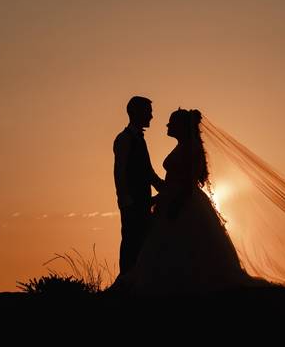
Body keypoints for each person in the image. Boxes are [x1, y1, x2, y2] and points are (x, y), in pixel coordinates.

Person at [111, 108, 265, 295]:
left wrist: (167, 199)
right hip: (168, 199)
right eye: (149, 112)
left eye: (171, 122)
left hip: (182, 202)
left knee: (179, 243)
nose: (165, 124)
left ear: (182, 127)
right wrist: (156, 196)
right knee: (144, 242)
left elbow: (185, 182)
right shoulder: (128, 139)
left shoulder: (189, 149)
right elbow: (125, 172)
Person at [113, 95, 166, 275]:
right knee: (130, 241)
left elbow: (148, 171)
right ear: (135, 112)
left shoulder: (140, 139)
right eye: (148, 112)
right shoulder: (124, 139)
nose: (151, 116)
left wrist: (165, 188)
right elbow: (119, 171)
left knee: (143, 241)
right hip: (132, 202)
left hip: (143, 200)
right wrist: (125, 199)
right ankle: (125, 280)